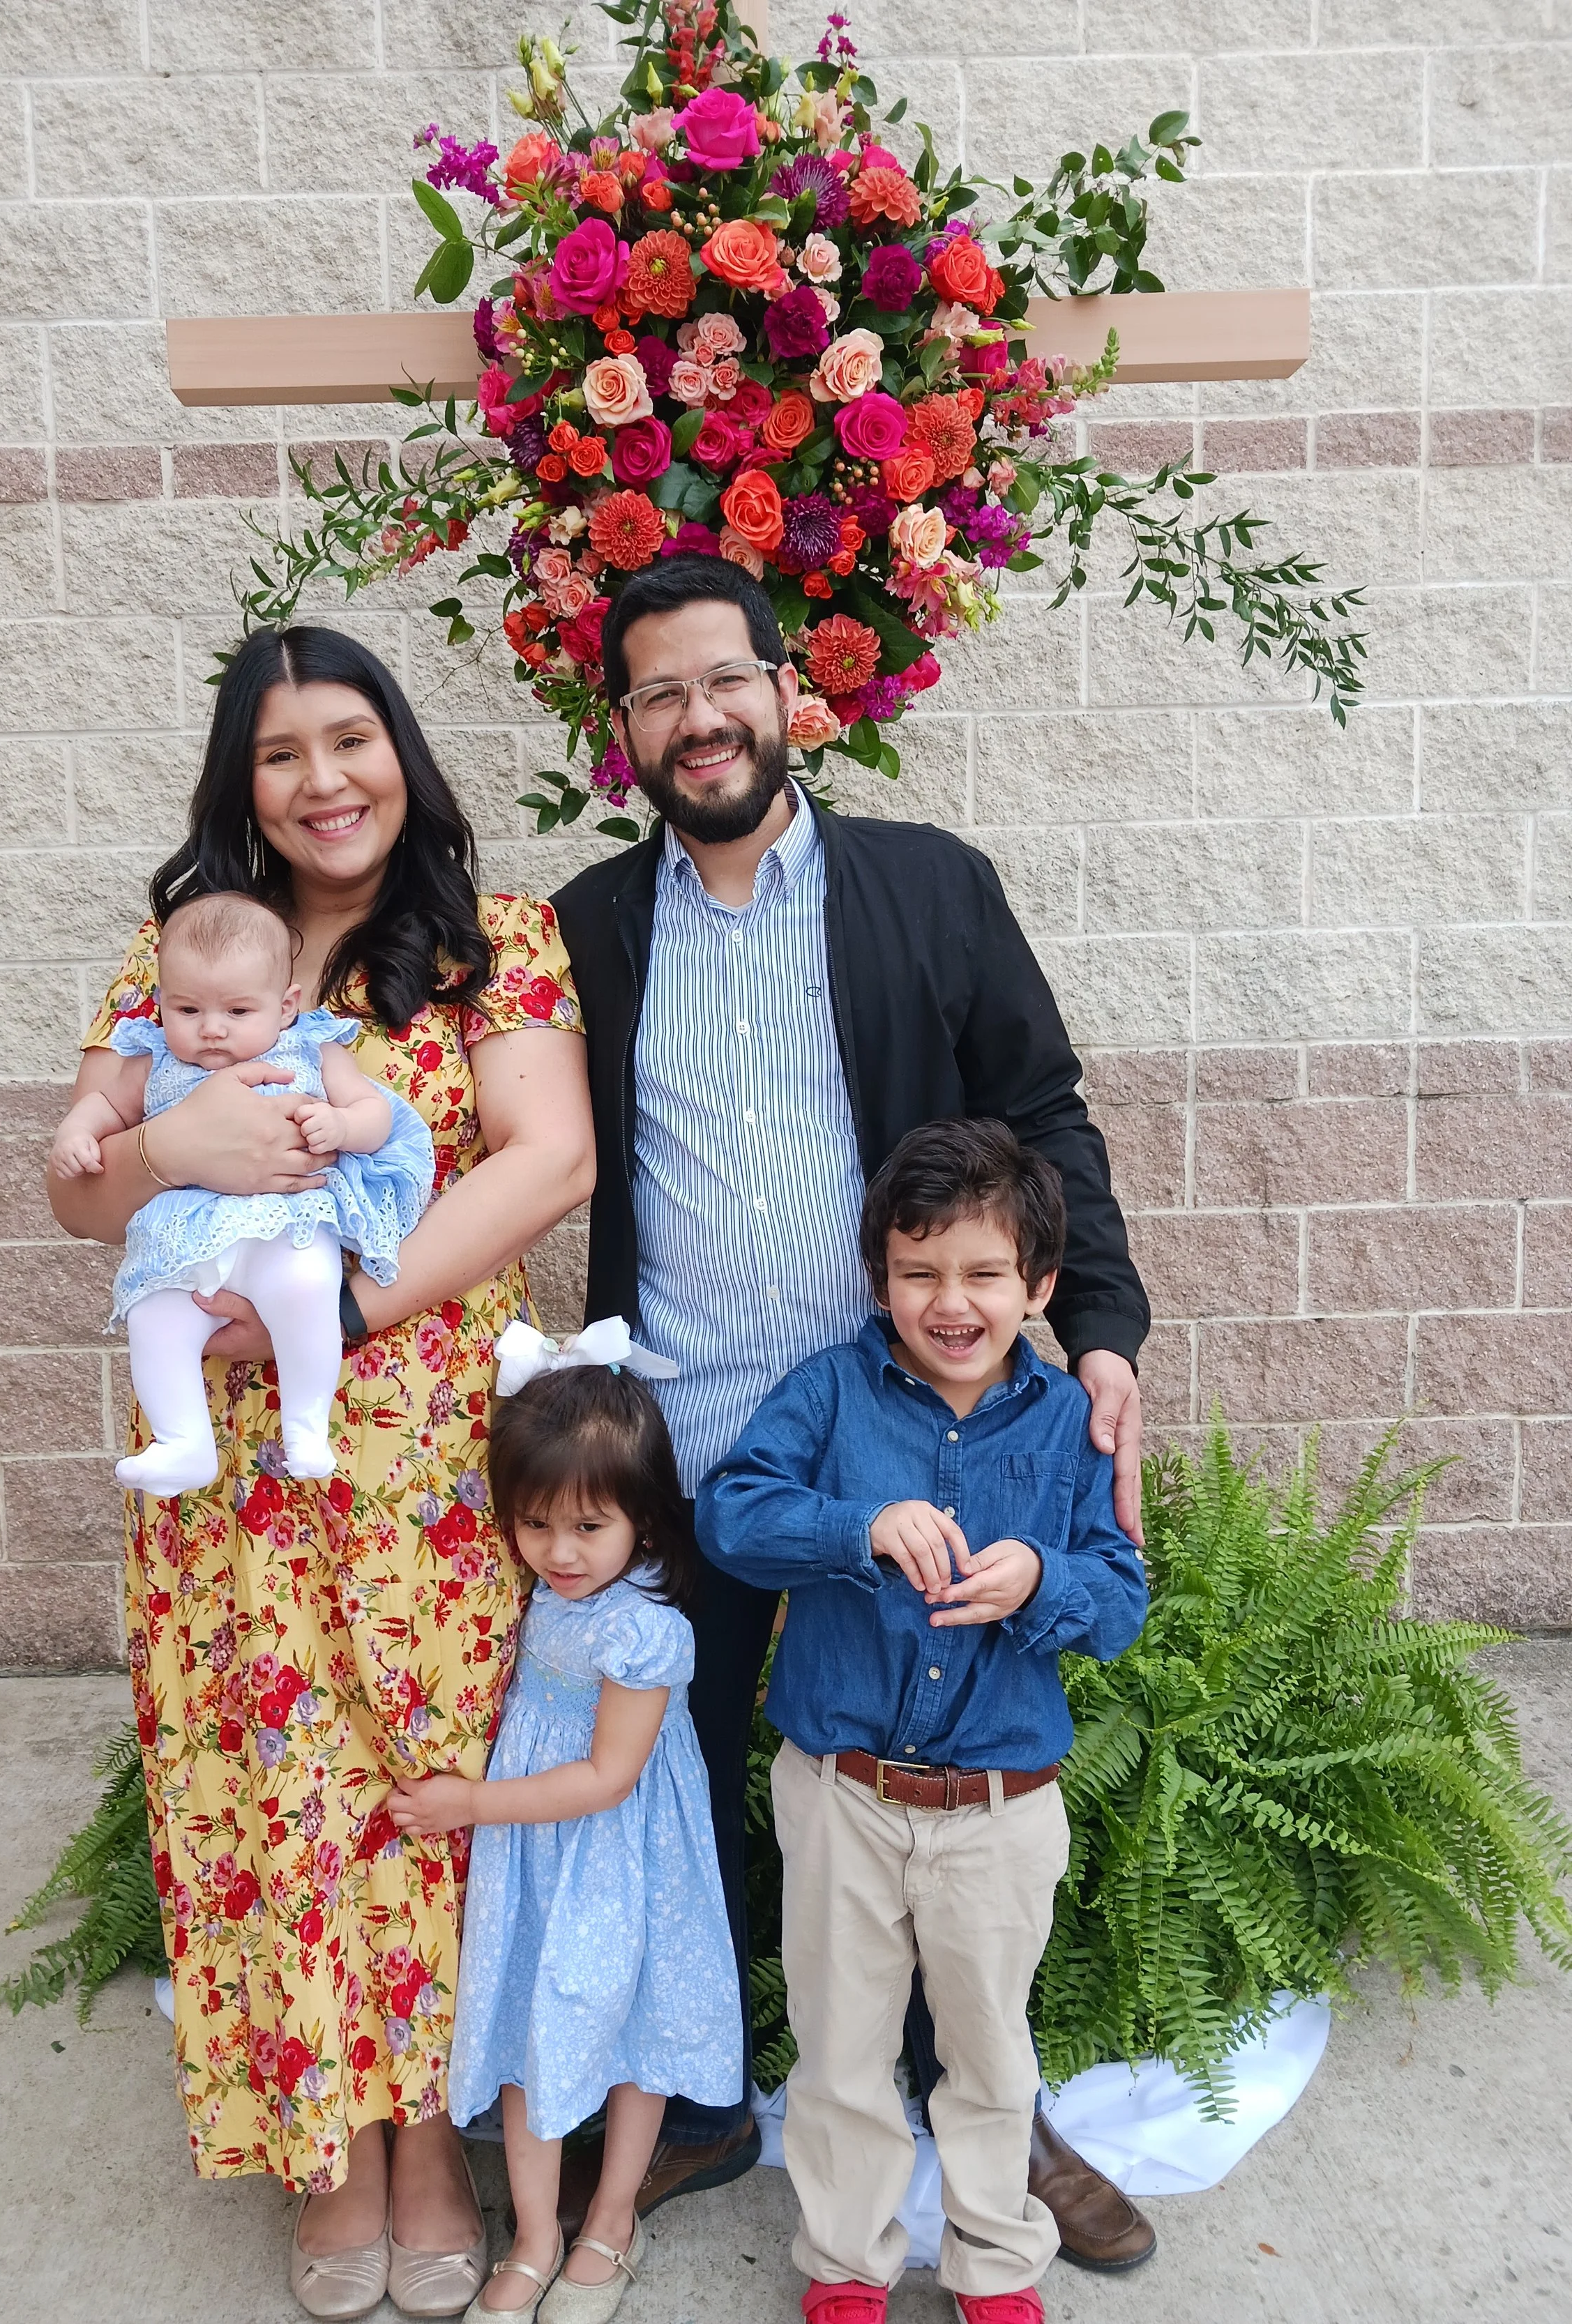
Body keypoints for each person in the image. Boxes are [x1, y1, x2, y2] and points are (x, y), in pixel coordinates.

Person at [549, 554, 1158, 2269]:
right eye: (659, 693)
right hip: (684, 1460)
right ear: (625, 732)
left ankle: (990, 2111)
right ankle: (701, 2096)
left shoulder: (927, 891)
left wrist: (1095, 1323)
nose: (699, 718)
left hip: (908, 1445)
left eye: (722, 681)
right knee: (672, 1783)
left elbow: (1043, 1110)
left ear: (787, 692)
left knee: (930, 1780)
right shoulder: (591, 928)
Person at [47, 624, 594, 2322]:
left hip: (426, 1466)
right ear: (245, 785)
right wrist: (158, 1150)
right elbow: (80, 1191)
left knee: (423, 1798)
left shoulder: (497, 940)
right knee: (269, 1799)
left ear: (401, 754)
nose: (322, 780)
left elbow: (548, 1158)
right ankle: (327, 2149)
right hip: (228, 1486)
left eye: (348, 740)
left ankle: (431, 2145)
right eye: (280, 754)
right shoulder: (180, 957)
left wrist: (354, 1304)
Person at [696, 1118, 1149, 2324]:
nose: (951, 1302)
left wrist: (1045, 1582)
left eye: (985, 1273)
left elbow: (1120, 1598)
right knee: (843, 2047)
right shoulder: (832, 1393)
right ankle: (848, 2259)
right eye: (919, 1272)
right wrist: (857, 1527)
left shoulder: (1069, 1424)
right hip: (844, 1788)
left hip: (1000, 1807)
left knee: (990, 2050)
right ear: (880, 1276)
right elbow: (733, 1512)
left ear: (1041, 1287)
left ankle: (996, 2259)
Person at [388, 1335, 739, 2324]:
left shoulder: (645, 1627)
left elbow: (605, 1775)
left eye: (590, 1523)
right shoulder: (540, 1593)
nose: (561, 1550)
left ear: (645, 1517)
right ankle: (537, 2233)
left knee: (631, 2030)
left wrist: (467, 1802)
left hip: (622, 1858)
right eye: (535, 1523)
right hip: (539, 1862)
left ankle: (611, 2219)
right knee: (528, 2024)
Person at [50, 890, 434, 1494]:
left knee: (307, 1289)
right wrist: (78, 1130)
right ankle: (182, 1442)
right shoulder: (152, 1059)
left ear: (285, 1006)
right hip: (184, 1239)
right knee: (155, 1319)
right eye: (187, 1009)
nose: (211, 1030)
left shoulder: (312, 1046)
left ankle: (307, 1423)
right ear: (160, 1004)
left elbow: (376, 1113)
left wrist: (342, 1126)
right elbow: (103, 1104)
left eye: (236, 1010)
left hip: (286, 1226)